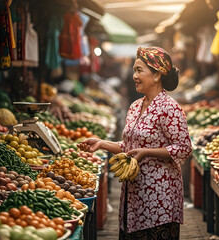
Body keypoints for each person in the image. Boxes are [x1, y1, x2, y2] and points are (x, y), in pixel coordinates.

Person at [80, 46, 192, 239]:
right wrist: (101, 143)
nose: (134, 76)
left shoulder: (169, 108)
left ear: (157, 75)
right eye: (134, 70)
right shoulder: (134, 107)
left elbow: (184, 148)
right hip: (133, 195)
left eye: (139, 70)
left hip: (159, 197)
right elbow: (130, 147)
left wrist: (148, 152)